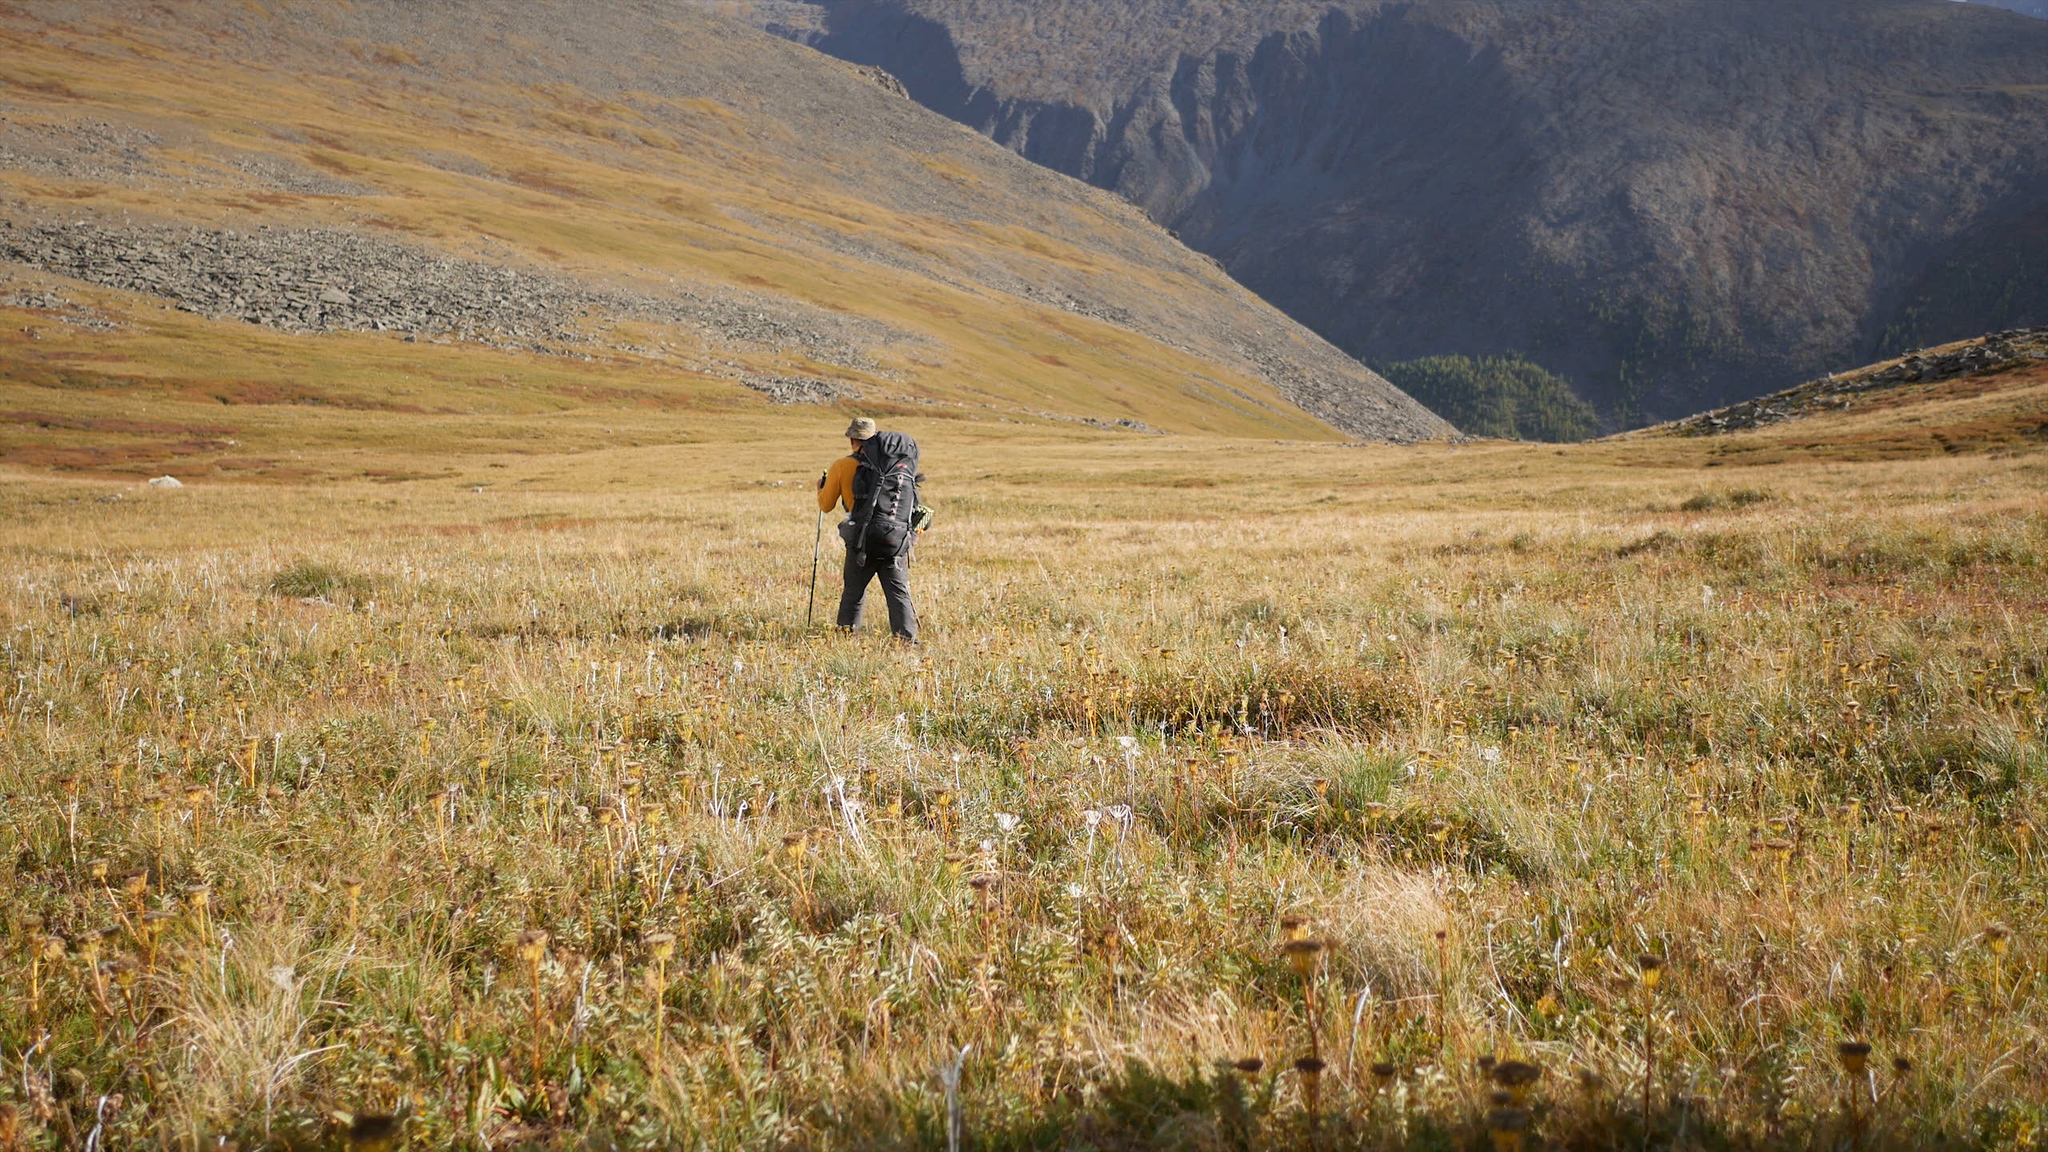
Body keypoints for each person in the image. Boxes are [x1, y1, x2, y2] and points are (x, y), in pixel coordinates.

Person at [817, 417, 919, 642]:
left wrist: (820, 489)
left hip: (862, 540)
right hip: (896, 538)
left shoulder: (842, 466)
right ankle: (907, 643)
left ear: (853, 440)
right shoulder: (896, 466)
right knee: (898, 593)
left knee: (854, 592)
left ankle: (847, 638)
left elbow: (826, 505)